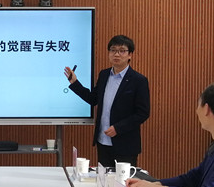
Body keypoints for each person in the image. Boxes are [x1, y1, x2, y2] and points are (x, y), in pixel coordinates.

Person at [64, 34, 150, 169]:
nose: (117, 54)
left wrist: (118, 128)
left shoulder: (138, 80)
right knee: (104, 179)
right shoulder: (104, 75)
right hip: (103, 141)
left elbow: (142, 113)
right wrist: (75, 83)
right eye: (113, 50)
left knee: (122, 181)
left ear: (130, 55)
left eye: (122, 51)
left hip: (125, 144)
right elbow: (93, 99)